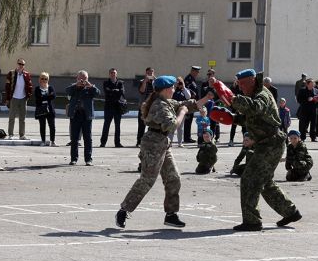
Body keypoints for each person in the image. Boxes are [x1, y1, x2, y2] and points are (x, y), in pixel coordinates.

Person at [114, 75, 214, 229]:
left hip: (162, 143)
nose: (174, 89)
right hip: (153, 145)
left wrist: (207, 98)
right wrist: (182, 112)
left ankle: (171, 215)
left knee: (173, 178)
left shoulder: (167, 102)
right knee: (147, 180)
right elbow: (172, 126)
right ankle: (124, 210)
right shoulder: (159, 105)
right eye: (173, 87)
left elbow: (186, 104)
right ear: (167, 89)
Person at [223, 68, 302, 231]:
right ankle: (290, 211)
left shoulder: (262, 95)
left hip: (271, 144)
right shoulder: (254, 94)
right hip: (267, 144)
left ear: (252, 80)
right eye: (239, 85)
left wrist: (233, 99)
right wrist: (231, 118)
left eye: (243, 84)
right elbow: (250, 118)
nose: (241, 88)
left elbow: (255, 108)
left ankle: (252, 221)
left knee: (249, 179)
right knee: (264, 182)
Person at [65, 70, 100, 166]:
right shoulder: (73, 87)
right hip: (75, 115)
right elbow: (67, 91)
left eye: (85, 79)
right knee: (74, 138)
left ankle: (88, 159)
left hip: (86, 115)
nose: (83, 81)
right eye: (81, 78)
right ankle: (74, 159)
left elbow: (98, 93)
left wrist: (90, 85)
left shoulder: (90, 88)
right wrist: (76, 85)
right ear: (77, 78)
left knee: (88, 138)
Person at [5, 58, 33, 139]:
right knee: (12, 117)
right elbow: (7, 86)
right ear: (17, 64)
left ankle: (22, 134)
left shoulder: (27, 74)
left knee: (22, 118)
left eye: (23, 64)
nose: (21, 66)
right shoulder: (11, 73)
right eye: (20, 64)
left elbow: (30, 86)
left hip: (23, 98)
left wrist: (28, 96)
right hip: (13, 97)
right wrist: (7, 98)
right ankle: (10, 134)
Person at [100, 68, 125, 148]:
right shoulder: (106, 82)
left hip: (118, 108)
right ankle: (103, 143)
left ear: (116, 74)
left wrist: (112, 91)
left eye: (114, 73)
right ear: (109, 74)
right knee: (106, 125)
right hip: (108, 107)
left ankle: (117, 143)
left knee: (117, 126)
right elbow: (107, 92)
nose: (113, 74)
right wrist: (115, 91)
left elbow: (122, 92)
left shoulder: (121, 83)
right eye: (111, 73)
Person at [34, 72, 56, 146]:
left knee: (52, 126)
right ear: (39, 79)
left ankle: (52, 141)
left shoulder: (50, 88)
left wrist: (43, 98)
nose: (44, 80)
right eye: (42, 78)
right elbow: (38, 98)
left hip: (50, 110)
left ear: (48, 80)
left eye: (45, 79)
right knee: (42, 126)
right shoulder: (37, 88)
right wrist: (47, 97)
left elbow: (53, 96)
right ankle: (43, 141)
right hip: (41, 110)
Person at [137, 67, 155, 147]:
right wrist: (145, 81)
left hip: (153, 106)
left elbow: (158, 91)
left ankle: (151, 141)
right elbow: (142, 91)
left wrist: (155, 80)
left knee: (153, 125)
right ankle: (139, 141)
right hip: (144, 106)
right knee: (141, 125)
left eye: (152, 73)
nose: (150, 74)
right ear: (146, 73)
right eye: (149, 73)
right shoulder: (141, 81)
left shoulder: (155, 82)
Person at [169, 77, 190, 147]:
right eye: (178, 83)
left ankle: (180, 143)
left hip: (181, 110)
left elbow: (188, 97)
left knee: (180, 128)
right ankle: (170, 142)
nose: (179, 84)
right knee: (172, 127)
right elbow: (169, 96)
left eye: (180, 82)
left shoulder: (184, 90)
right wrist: (174, 86)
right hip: (173, 110)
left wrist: (183, 87)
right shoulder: (173, 89)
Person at [183, 65, 201, 143]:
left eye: (198, 72)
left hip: (193, 103)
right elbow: (186, 89)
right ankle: (187, 138)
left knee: (189, 120)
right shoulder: (188, 79)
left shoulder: (192, 79)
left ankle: (188, 136)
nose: (197, 73)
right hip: (189, 103)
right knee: (188, 120)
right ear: (192, 71)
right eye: (196, 72)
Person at [228, 80, 246, 146]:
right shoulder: (233, 88)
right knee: (233, 126)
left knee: (244, 126)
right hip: (235, 109)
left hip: (242, 109)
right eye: (237, 80)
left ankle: (245, 140)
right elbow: (229, 98)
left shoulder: (244, 87)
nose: (238, 82)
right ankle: (231, 140)